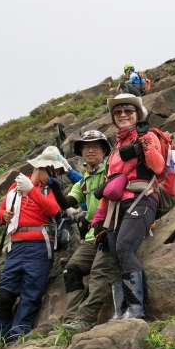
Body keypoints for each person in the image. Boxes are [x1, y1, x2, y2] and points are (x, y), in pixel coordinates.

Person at [91, 94, 167, 320]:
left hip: (142, 198)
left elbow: (158, 166)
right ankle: (121, 310)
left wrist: (144, 139)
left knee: (125, 247)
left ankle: (136, 311)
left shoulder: (148, 135)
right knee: (116, 253)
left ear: (138, 114)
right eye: (118, 111)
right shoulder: (115, 149)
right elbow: (109, 185)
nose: (123, 114)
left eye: (128, 110)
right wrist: (98, 220)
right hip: (116, 206)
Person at [0, 146, 74, 345]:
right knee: (5, 293)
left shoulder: (52, 189)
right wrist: (4, 216)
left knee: (30, 294)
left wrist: (30, 189)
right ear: (41, 167)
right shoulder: (15, 187)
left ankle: (15, 339)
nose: (55, 176)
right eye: (53, 171)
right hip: (16, 246)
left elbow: (53, 209)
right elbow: (0, 212)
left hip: (40, 246)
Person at [45, 130, 117, 334]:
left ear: (104, 150)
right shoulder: (84, 181)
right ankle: (71, 320)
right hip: (93, 235)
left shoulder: (113, 170)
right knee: (71, 270)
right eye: (86, 147)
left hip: (112, 228)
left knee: (99, 271)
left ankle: (86, 319)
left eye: (96, 146)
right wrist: (57, 190)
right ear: (81, 153)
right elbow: (68, 202)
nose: (90, 150)